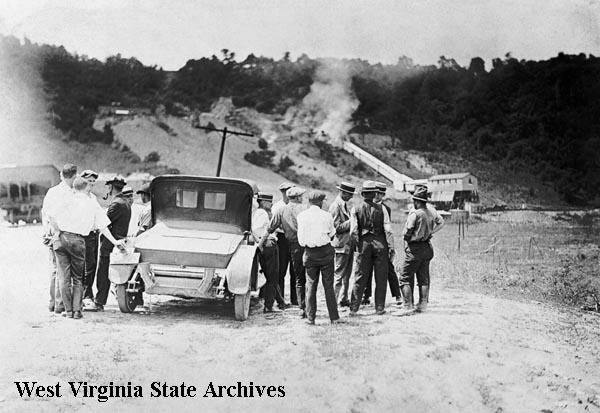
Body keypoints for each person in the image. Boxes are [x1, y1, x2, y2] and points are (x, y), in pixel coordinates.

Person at [47, 177, 126, 319]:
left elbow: (50, 216)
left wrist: (57, 231)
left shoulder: (65, 199)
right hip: (78, 240)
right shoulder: (91, 202)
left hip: (61, 239)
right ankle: (77, 311)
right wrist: (115, 241)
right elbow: (103, 225)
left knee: (63, 277)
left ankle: (68, 310)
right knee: (78, 278)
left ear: (74, 188)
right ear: (86, 188)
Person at [349, 181, 395, 316]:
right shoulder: (383, 209)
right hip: (380, 243)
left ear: (363, 194)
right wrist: (391, 247)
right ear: (375, 193)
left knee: (360, 275)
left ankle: (354, 308)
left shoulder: (355, 209)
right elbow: (388, 230)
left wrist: (358, 244)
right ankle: (379, 307)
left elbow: (353, 231)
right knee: (381, 276)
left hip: (364, 244)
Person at [396, 186, 445, 316]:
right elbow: (441, 222)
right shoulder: (432, 211)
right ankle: (423, 305)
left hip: (415, 248)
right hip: (427, 247)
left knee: (405, 277)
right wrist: (430, 232)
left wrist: (408, 237)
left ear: (417, 201)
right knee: (423, 278)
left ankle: (407, 306)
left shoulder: (415, 214)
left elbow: (408, 231)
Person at [298, 190, 343, 325]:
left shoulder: (302, 216)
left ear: (309, 202)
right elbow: (332, 234)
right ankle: (334, 317)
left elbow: (300, 239)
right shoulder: (326, 216)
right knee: (328, 285)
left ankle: (311, 318)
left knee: (311, 286)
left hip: (309, 252)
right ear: (320, 202)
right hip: (325, 252)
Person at [88, 177, 132, 311]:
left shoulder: (116, 204)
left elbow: (104, 222)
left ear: (112, 188)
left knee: (103, 273)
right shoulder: (124, 202)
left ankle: (99, 302)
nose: (107, 189)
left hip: (110, 245)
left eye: (108, 187)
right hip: (119, 242)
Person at [263, 186, 307, 318]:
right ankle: (293, 302)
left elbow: (270, 228)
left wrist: (260, 244)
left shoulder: (281, 209)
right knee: (294, 273)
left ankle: (292, 300)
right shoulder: (304, 209)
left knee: (291, 273)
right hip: (298, 241)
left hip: (288, 239)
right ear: (298, 197)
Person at [41, 163, 77, 314]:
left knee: (56, 269)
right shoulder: (72, 194)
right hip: (64, 233)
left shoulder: (52, 191)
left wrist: (45, 232)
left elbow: (45, 213)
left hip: (51, 232)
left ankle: (53, 303)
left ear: (61, 175)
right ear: (74, 176)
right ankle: (60, 304)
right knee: (64, 271)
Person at [362, 182, 402, 306]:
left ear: (383, 194)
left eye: (380, 194)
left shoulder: (386, 208)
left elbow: (387, 229)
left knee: (389, 269)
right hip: (369, 243)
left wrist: (390, 246)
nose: (377, 195)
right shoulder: (365, 206)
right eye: (376, 193)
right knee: (367, 271)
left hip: (382, 244)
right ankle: (366, 295)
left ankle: (397, 295)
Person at [252, 192, 286, 313]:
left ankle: (280, 302)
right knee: (273, 277)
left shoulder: (258, 213)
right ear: (263, 202)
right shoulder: (263, 214)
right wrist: (263, 242)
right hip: (269, 245)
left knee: (270, 276)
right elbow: (257, 230)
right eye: (269, 202)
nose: (271, 204)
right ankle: (269, 306)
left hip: (265, 244)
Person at [328, 181, 355, 307]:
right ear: (343, 192)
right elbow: (336, 228)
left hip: (347, 244)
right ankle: (333, 301)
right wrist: (352, 221)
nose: (351, 197)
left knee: (346, 274)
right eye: (349, 194)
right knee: (338, 275)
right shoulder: (335, 206)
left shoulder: (343, 205)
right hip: (340, 245)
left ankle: (343, 298)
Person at [272, 182, 297, 305]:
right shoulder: (277, 207)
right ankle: (280, 299)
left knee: (295, 270)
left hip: (294, 239)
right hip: (281, 239)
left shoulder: (295, 206)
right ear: (282, 193)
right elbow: (274, 225)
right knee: (281, 269)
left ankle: (295, 299)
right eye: (287, 192)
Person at [79, 169, 101, 307]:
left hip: (94, 234)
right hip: (84, 235)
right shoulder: (78, 197)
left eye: (93, 181)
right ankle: (85, 295)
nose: (91, 184)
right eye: (89, 181)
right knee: (85, 266)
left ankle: (87, 293)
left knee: (92, 265)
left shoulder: (93, 198)